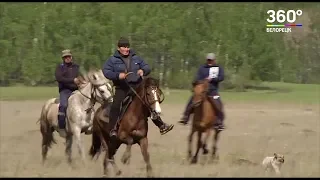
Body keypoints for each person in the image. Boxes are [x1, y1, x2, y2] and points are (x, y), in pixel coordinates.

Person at [102, 37, 174, 138]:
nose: (126, 49)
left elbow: (147, 67)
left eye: (128, 47)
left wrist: (143, 71)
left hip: (137, 86)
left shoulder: (136, 58)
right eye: (124, 47)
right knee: (116, 105)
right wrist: (118, 75)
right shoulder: (112, 60)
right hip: (122, 87)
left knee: (149, 102)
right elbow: (106, 71)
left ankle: (161, 125)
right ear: (119, 48)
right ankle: (113, 129)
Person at [178, 53, 226, 131]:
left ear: (214, 60)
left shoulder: (218, 68)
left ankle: (219, 122)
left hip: (213, 91)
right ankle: (185, 117)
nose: (209, 61)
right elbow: (197, 78)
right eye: (208, 60)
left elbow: (221, 77)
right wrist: (202, 82)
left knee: (218, 104)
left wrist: (212, 79)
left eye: (211, 60)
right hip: (202, 90)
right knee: (192, 100)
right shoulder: (202, 68)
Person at [55, 49, 80, 136]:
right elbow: (60, 79)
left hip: (76, 90)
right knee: (64, 105)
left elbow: (80, 76)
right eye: (65, 57)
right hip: (65, 91)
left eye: (69, 56)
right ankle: (61, 127)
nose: (67, 58)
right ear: (63, 58)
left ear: (71, 57)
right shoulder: (60, 67)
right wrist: (73, 80)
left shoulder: (76, 67)